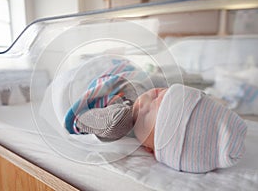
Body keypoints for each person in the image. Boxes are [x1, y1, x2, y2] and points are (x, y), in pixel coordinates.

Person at [64, 60, 247, 173]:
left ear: (150, 148)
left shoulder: (122, 118)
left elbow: (83, 119)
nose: (147, 99)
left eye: (148, 113)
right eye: (163, 93)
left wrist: (117, 119)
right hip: (123, 68)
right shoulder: (154, 85)